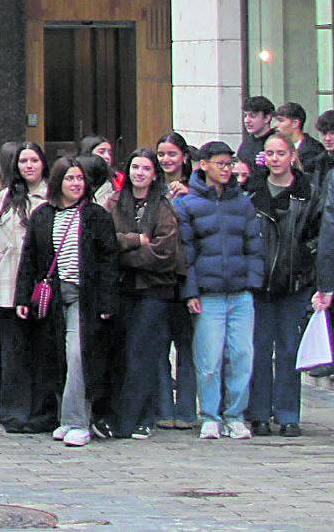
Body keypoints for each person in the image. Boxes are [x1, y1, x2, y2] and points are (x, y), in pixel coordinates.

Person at [14, 157, 118, 448]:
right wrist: (23, 297)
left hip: (85, 299)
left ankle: (78, 422)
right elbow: (29, 259)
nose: (75, 184)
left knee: (77, 356)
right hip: (52, 298)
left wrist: (107, 302)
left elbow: (109, 261)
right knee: (55, 357)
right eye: (70, 178)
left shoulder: (96, 216)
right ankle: (62, 417)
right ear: (58, 182)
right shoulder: (42, 215)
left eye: (79, 179)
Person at [174, 140, 265, 440]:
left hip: (240, 292)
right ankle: (210, 415)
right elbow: (186, 253)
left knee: (241, 356)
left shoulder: (242, 202)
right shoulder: (187, 203)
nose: (226, 169)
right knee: (209, 360)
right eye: (220, 164)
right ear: (203, 165)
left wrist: (252, 283)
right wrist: (191, 292)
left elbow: (254, 246)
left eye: (229, 164)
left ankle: (235, 415)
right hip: (208, 293)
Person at [104, 148, 184, 440]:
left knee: (144, 353)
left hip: (154, 289)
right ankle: (119, 415)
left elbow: (165, 251)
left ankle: (141, 417)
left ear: (154, 175)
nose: (140, 173)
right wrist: (136, 240)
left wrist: (128, 255)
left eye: (146, 169)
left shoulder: (163, 206)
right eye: (135, 167)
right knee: (121, 353)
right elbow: (107, 242)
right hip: (122, 288)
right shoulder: (114, 202)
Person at [244, 133, 320, 436]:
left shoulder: (307, 192)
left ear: (292, 156)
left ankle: (288, 414)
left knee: (289, 350)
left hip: (294, 282)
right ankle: (259, 413)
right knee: (260, 350)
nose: (275, 159)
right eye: (270, 154)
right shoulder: (251, 191)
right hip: (259, 283)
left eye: (280, 153)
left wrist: (304, 257)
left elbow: (318, 233)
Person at [0, 141, 49, 433]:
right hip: (6, 285)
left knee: (40, 350)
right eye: (24, 161)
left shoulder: (51, 196)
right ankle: (12, 411)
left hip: (41, 286)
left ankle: (41, 411)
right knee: (12, 352)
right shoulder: (6, 197)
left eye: (34, 160)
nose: (29, 166)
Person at [154, 131, 198, 430]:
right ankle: (162, 408)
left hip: (187, 276)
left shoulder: (197, 188)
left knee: (187, 346)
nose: (166, 160)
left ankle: (186, 410)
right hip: (158, 276)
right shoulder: (152, 186)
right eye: (162, 154)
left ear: (184, 156)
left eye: (172, 154)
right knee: (159, 346)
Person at [274, 101, 325, 171]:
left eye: (281, 121)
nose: (275, 125)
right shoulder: (275, 146)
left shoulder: (313, 150)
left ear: (295, 123)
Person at [237, 96, 276, 170]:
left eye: (253, 116)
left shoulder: (277, 142)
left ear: (267, 118)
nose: (247, 120)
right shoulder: (247, 143)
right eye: (245, 116)